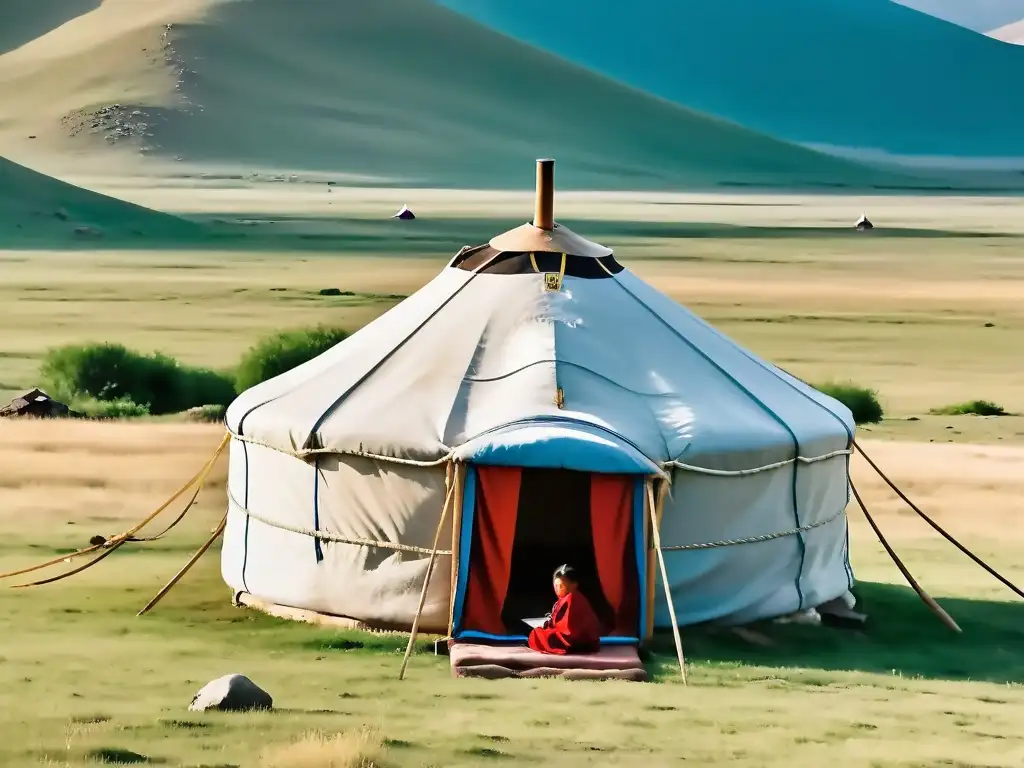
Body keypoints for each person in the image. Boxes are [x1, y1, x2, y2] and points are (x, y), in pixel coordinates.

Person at [527, 564, 603, 655]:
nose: (557, 589)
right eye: (555, 586)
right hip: (587, 641)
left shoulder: (571, 598)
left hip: (576, 641)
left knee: (536, 633)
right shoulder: (571, 597)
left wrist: (549, 625)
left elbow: (567, 628)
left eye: (561, 586)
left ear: (574, 584)